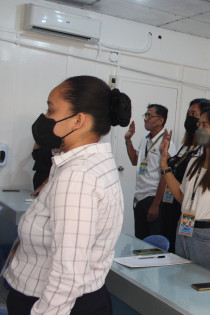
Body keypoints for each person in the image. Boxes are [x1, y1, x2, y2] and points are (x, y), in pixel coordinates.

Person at [4, 75, 131, 314]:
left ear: (78, 120)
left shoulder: (78, 176)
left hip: (53, 304)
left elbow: (68, 273)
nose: (45, 118)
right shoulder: (87, 164)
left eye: (51, 110)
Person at [159, 107, 210, 274]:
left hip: (207, 236)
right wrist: (164, 165)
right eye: (199, 124)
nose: (199, 129)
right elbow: (183, 197)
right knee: (182, 282)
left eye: (205, 125)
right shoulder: (195, 161)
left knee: (204, 287)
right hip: (184, 229)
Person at [158, 98, 210, 252]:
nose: (190, 117)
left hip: (184, 213)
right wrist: (165, 157)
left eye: (194, 114)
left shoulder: (206, 152)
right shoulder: (186, 146)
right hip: (170, 208)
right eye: (188, 113)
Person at [125, 104, 176, 240]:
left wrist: (156, 204)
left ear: (160, 120)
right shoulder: (145, 140)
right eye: (145, 116)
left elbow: (166, 176)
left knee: (152, 244)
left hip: (153, 198)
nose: (146, 119)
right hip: (140, 198)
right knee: (140, 240)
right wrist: (128, 140)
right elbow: (135, 161)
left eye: (149, 116)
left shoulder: (167, 144)